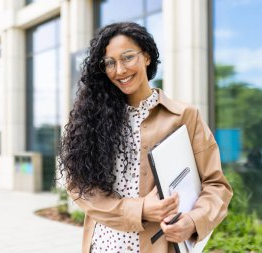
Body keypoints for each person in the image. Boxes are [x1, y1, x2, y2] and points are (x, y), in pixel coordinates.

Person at [58, 22, 233, 253]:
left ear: (147, 57)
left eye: (128, 57)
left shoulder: (184, 116)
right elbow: (78, 186)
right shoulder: (93, 120)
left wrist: (192, 222)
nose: (119, 70)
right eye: (110, 63)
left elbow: (216, 185)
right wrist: (139, 209)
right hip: (102, 245)